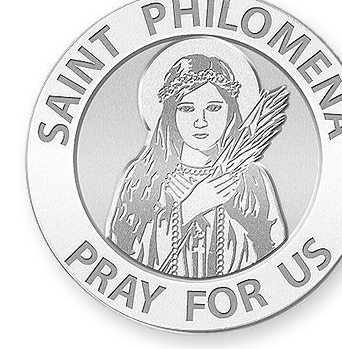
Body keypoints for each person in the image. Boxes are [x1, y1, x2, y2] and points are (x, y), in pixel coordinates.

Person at [107, 53, 287, 278]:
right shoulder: (143, 176)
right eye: (186, 108)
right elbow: (123, 261)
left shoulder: (251, 177)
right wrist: (192, 206)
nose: (200, 121)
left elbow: (274, 258)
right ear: (171, 113)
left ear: (230, 112)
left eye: (213, 108)